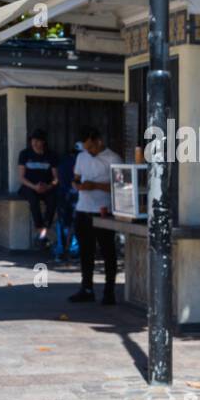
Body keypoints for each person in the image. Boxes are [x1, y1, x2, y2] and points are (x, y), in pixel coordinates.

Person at [69, 128, 120, 304]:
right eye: (86, 148)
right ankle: (87, 288)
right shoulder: (81, 157)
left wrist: (96, 186)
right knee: (85, 252)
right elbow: (76, 178)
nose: (89, 151)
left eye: (91, 147)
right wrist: (77, 185)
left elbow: (120, 187)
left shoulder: (113, 159)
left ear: (98, 141)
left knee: (107, 252)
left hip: (103, 210)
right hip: (83, 208)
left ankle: (109, 290)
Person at [17, 129, 58, 247]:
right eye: (33, 140)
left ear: (43, 142)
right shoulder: (24, 154)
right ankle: (41, 233)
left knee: (52, 201)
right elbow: (21, 178)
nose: (34, 143)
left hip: (46, 187)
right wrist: (34, 187)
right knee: (33, 201)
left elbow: (56, 178)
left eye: (38, 141)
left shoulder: (51, 155)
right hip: (29, 186)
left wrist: (49, 186)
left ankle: (44, 231)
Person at [53, 140, 81, 262]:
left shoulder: (64, 161)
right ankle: (73, 251)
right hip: (75, 196)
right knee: (75, 224)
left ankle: (60, 251)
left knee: (62, 223)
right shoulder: (81, 161)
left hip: (62, 195)